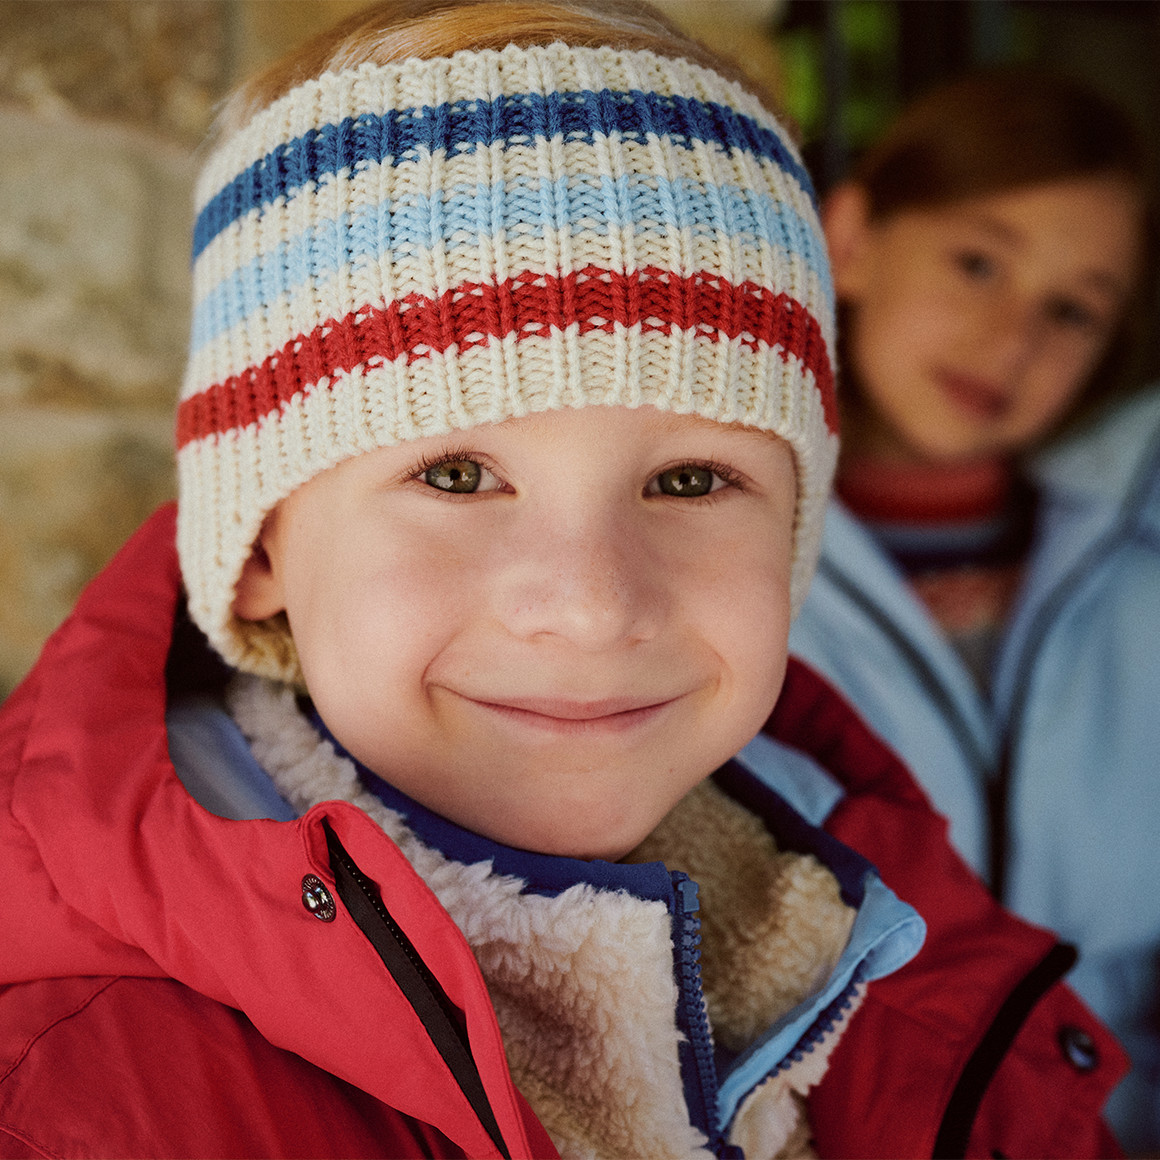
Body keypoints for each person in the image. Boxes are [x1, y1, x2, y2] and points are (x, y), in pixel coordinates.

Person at [0, 6, 1125, 1156]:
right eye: (454, 471)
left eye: (691, 478)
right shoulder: (83, 1088)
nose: (593, 602)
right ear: (258, 549)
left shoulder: (898, 951)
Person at [788, 66, 1160, 1151]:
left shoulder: (1136, 592)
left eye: (1071, 309)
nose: (1011, 336)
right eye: (977, 261)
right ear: (850, 236)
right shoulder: (728, 568)